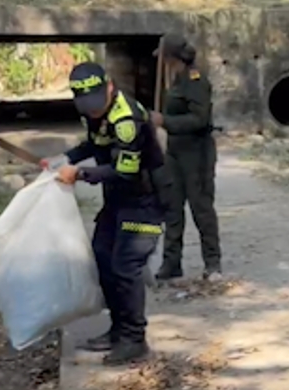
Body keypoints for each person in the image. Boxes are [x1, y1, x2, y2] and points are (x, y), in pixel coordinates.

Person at [44, 62, 170, 365]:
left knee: (127, 266)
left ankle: (135, 340)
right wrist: (64, 158)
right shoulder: (95, 113)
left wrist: (79, 173)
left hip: (147, 201)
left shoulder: (127, 119)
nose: (93, 110)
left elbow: (126, 170)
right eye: (86, 105)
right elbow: (96, 143)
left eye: (97, 103)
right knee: (103, 257)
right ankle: (118, 330)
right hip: (118, 200)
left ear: (110, 87)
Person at [150, 33, 222, 282]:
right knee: (172, 207)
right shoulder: (175, 79)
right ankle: (172, 263)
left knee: (201, 208)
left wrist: (164, 121)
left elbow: (200, 119)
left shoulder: (195, 80)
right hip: (175, 152)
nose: (164, 63)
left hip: (197, 153)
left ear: (173, 57)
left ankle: (212, 263)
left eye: (165, 58)